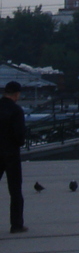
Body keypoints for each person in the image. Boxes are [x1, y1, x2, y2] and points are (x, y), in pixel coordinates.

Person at [0, 81, 27, 234]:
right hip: (11, 154)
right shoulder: (16, 110)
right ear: (17, 94)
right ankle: (16, 224)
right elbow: (20, 136)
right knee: (15, 190)